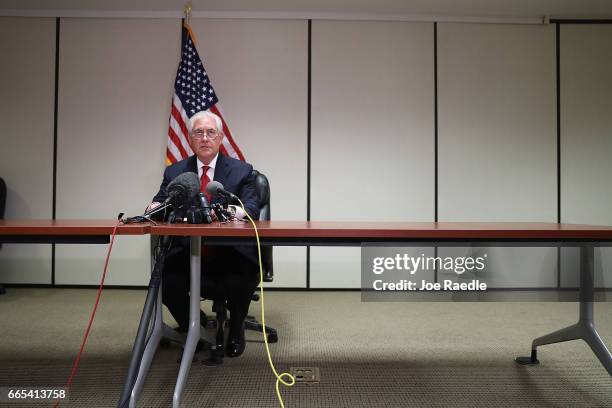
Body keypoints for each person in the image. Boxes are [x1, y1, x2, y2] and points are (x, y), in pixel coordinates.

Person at [149, 110, 260, 357]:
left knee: (243, 278)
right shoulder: (175, 172)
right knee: (165, 281)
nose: (205, 138)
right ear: (190, 139)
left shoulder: (242, 171)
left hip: (230, 252)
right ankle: (195, 326)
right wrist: (154, 207)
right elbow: (160, 202)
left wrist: (230, 212)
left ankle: (236, 328)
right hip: (187, 251)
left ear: (220, 138)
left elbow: (251, 208)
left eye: (211, 132)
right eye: (199, 132)